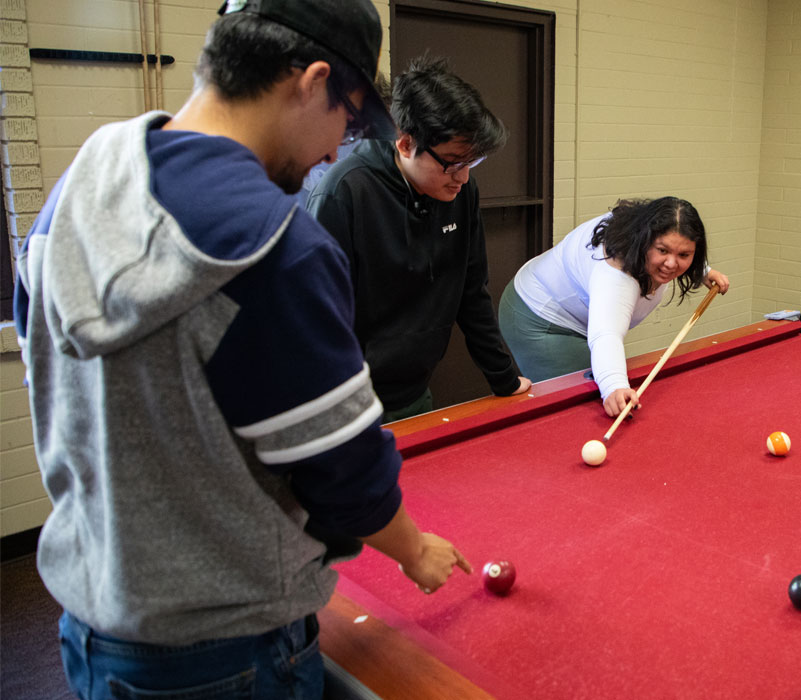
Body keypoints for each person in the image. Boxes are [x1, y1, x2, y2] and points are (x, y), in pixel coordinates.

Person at [14, 1, 470, 698]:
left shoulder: (78, 188)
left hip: (96, 625)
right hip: (227, 653)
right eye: (345, 124)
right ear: (312, 81)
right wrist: (415, 550)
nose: (331, 153)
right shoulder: (275, 246)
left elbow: (38, 353)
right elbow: (344, 470)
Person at [307, 55, 530, 422]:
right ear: (406, 143)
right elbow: (318, 323)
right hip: (347, 404)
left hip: (414, 391)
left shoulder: (460, 191)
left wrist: (503, 378)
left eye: (472, 163)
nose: (462, 177)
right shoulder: (345, 193)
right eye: (453, 162)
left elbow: (472, 292)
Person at [499, 197, 730, 418]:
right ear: (644, 239)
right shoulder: (616, 272)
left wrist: (703, 271)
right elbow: (606, 335)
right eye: (662, 251)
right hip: (539, 318)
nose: (671, 263)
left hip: (578, 319)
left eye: (684, 255)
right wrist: (614, 386)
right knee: (578, 408)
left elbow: (678, 248)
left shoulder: (642, 228)